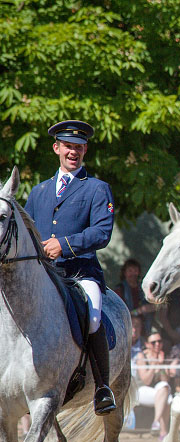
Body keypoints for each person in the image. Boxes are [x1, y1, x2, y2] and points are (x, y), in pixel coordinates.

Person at [24, 120, 117, 414]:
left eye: (78, 147)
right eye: (68, 146)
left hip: (80, 274)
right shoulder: (38, 192)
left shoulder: (97, 189)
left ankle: (102, 387)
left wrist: (63, 244)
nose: (73, 151)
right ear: (57, 148)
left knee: (91, 317)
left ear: (85, 150)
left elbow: (102, 233)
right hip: (43, 274)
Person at [135, 331, 175, 438]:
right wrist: (153, 364)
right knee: (168, 399)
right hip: (141, 390)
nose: (157, 344)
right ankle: (163, 432)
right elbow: (146, 381)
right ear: (147, 344)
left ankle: (156, 425)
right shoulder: (141, 356)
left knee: (164, 388)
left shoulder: (163, 355)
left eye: (159, 341)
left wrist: (161, 364)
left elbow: (165, 380)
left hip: (158, 391)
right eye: (153, 342)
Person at [113, 258, 154, 329]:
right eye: (130, 271)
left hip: (147, 325)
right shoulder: (120, 290)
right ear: (125, 273)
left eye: (135, 271)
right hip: (128, 327)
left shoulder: (144, 288)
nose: (133, 274)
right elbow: (119, 313)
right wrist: (139, 311)